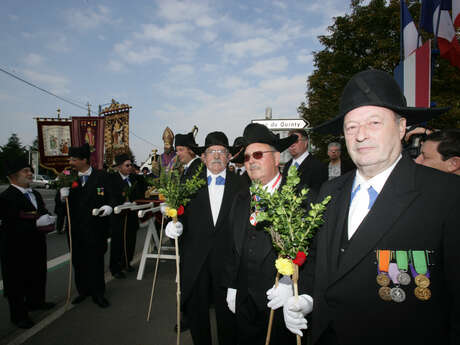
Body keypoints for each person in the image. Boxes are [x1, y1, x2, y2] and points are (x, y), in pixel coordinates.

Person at [284, 69, 459, 344]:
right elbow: (318, 259)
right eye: (351, 127)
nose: (361, 135)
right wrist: (306, 295)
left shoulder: (447, 195)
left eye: (374, 122)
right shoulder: (330, 192)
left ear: (402, 128)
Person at [223, 123, 298, 345]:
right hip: (244, 305)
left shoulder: (300, 199)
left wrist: (292, 286)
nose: (251, 161)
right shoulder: (240, 198)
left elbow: (314, 256)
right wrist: (232, 285)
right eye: (246, 158)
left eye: (257, 154)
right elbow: (232, 246)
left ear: (276, 158)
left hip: (281, 307)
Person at [165, 131, 242, 345]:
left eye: (221, 152)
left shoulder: (243, 186)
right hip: (195, 260)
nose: (216, 156)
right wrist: (174, 228)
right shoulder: (187, 183)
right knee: (197, 314)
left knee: (228, 316)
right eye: (211, 152)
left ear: (229, 157)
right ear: (203, 157)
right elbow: (178, 215)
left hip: (228, 263)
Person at [0, 157, 56, 329]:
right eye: (26, 171)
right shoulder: (7, 196)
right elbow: (10, 221)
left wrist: (48, 218)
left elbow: (42, 211)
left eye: (30, 170)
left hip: (36, 243)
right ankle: (18, 315)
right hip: (15, 247)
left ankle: (36, 302)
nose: (30, 174)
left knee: (37, 274)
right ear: (13, 176)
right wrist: (34, 222)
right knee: (17, 280)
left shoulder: (35, 194)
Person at [59, 144, 114, 308]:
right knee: (79, 261)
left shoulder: (102, 176)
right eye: (70, 159)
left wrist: (109, 206)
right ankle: (83, 291)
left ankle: (98, 293)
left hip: (96, 228)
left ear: (84, 160)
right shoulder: (68, 177)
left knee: (96, 261)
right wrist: (61, 197)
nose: (71, 162)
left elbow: (112, 196)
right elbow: (62, 206)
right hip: (76, 229)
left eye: (74, 159)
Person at [109, 153, 146, 279]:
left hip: (131, 215)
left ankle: (126, 263)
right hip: (119, 216)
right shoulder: (113, 179)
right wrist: (122, 202)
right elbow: (111, 196)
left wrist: (135, 201)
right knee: (118, 242)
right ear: (119, 167)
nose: (130, 167)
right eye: (127, 165)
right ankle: (115, 268)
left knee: (130, 240)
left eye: (131, 165)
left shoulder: (134, 179)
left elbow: (141, 192)